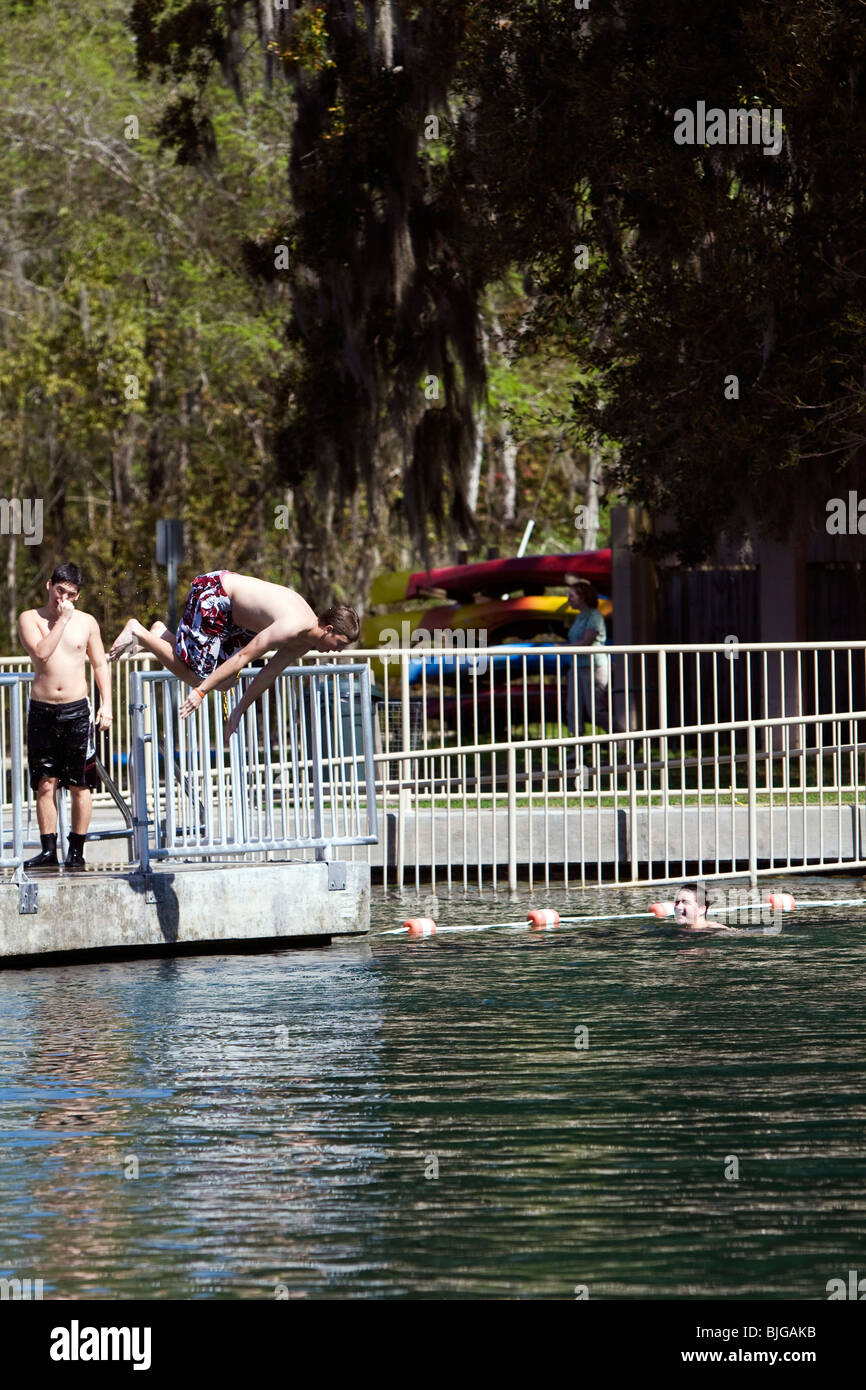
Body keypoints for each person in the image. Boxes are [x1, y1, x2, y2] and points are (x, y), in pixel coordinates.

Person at [109, 570, 359, 739]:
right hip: (216, 594)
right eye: (340, 643)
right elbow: (244, 657)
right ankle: (139, 632)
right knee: (201, 677)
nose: (338, 650)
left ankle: (161, 636)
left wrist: (239, 709)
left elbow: (268, 673)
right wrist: (200, 692)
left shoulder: (303, 641)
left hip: (233, 616)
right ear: (328, 629)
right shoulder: (293, 626)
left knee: (227, 681)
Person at [18, 563, 113, 871]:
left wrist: (106, 705)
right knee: (45, 783)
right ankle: (48, 850)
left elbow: (100, 664)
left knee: (79, 784)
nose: (64, 599)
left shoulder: (87, 622)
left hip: (76, 710)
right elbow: (42, 654)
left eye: (71, 594)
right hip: (43, 709)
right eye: (60, 591)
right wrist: (61, 620)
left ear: (78, 595)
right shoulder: (30, 619)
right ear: (49, 586)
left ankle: (77, 850)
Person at [564, 577, 610, 776]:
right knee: (573, 710)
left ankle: (623, 737)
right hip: (577, 667)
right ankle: (577, 750)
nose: (569, 599)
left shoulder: (594, 616)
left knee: (595, 711)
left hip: (593, 667)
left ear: (583, 596)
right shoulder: (579, 617)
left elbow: (586, 642)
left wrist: (561, 649)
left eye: (572, 595)